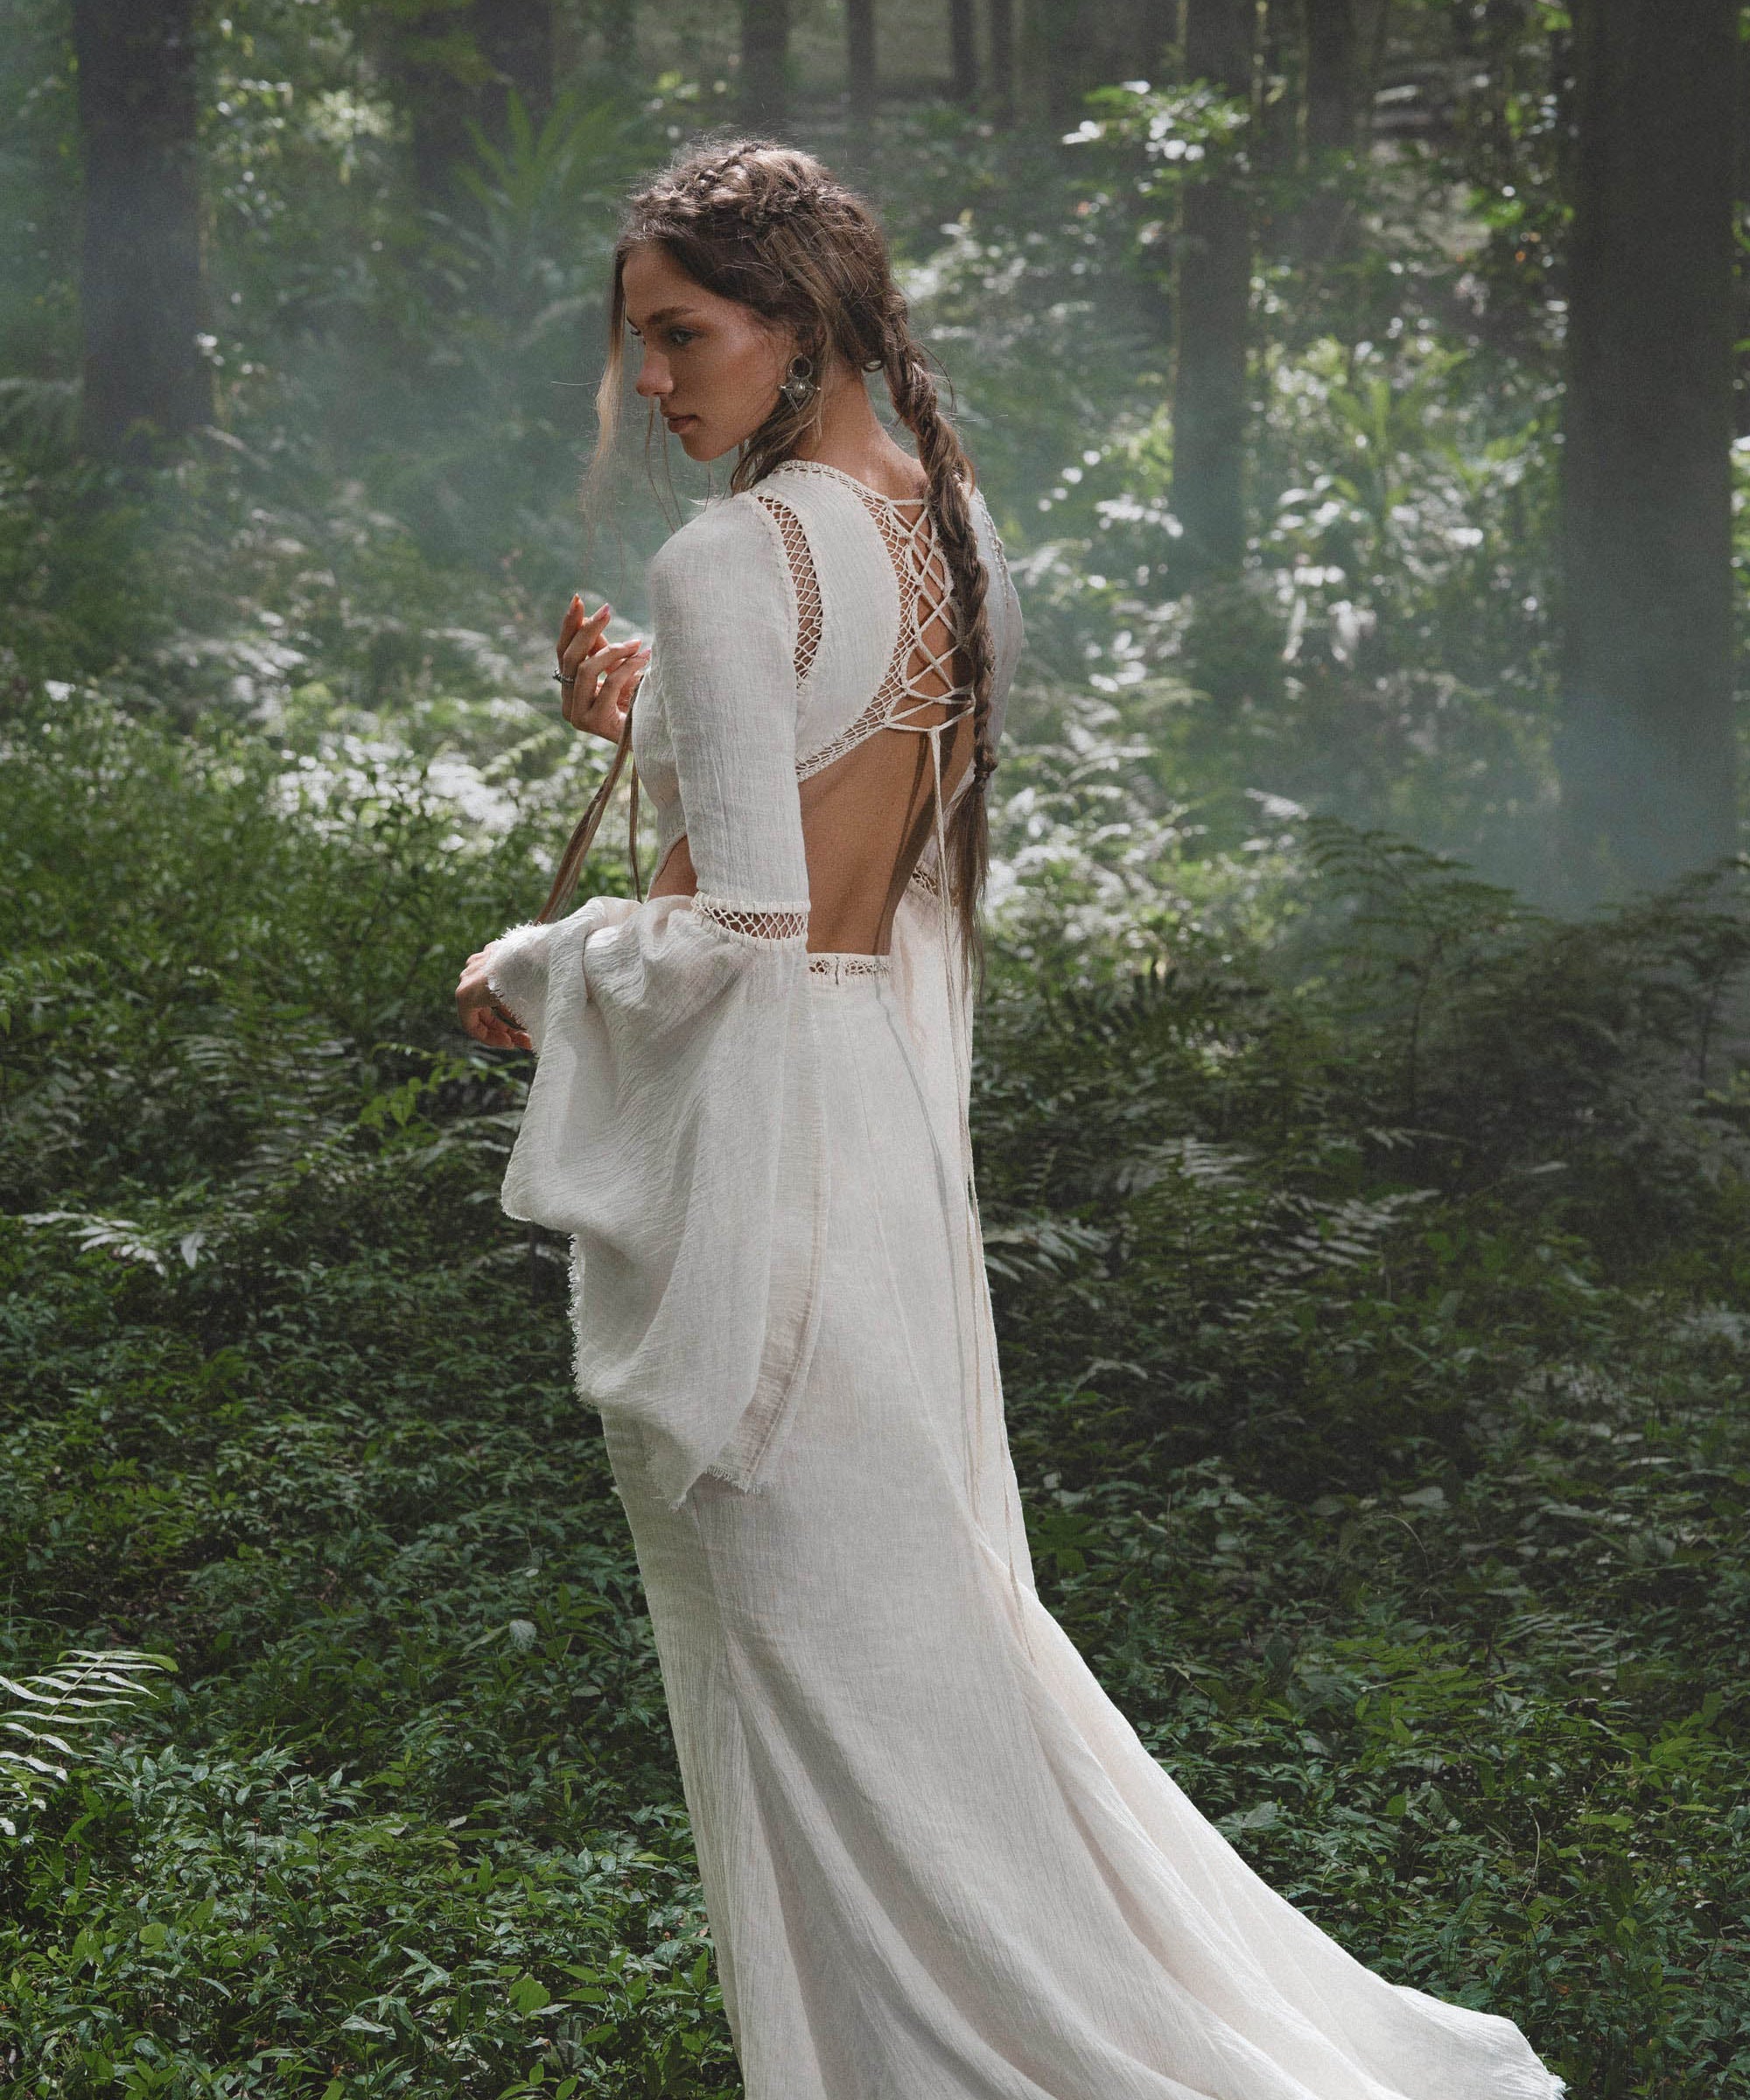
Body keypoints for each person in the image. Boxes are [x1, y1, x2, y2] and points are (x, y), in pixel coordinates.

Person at [454, 140, 1563, 2100]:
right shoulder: (941, 517)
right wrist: (648, 726)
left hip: (768, 1166)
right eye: (633, 344)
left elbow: (735, 929)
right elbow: (871, 854)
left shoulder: (728, 552)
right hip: (871, 1122)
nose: (649, 382)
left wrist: (533, 964)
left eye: (679, 335)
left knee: (810, 1665)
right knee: (915, 1636)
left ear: (796, 319)